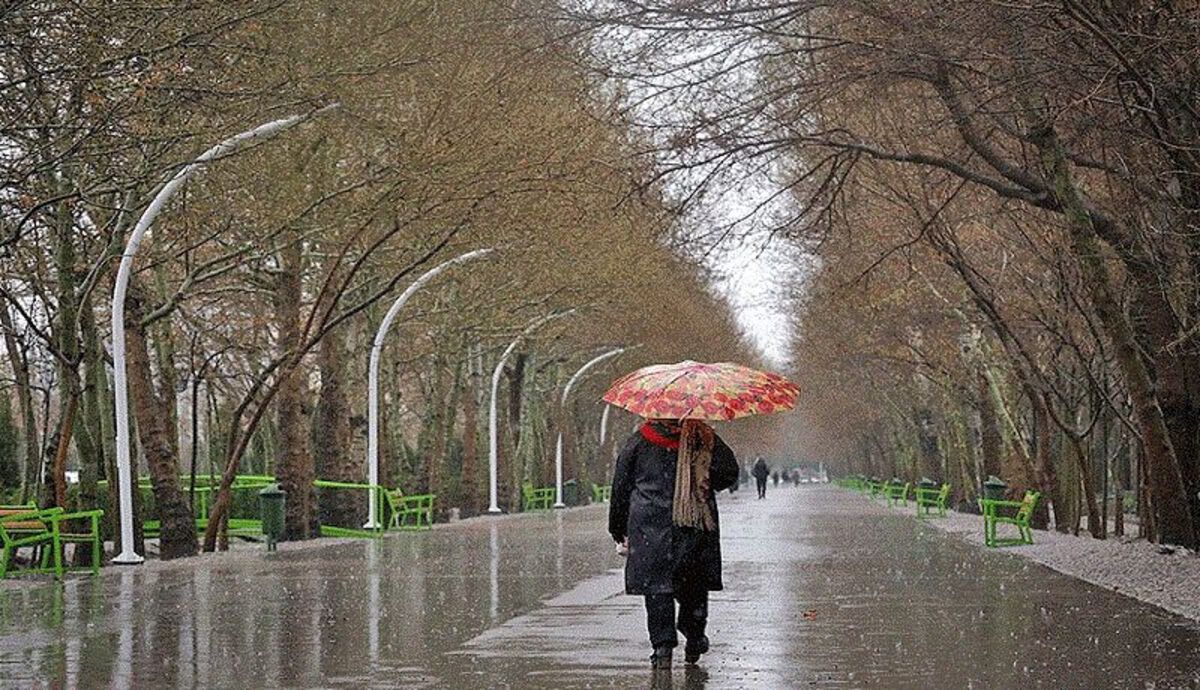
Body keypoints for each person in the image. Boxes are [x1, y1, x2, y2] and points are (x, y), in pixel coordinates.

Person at [609, 418, 739, 670]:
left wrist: (617, 527)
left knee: (657, 587)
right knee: (693, 585)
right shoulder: (703, 437)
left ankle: (662, 646)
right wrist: (701, 478)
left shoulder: (639, 441)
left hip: (650, 526)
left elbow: (621, 487)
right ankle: (694, 635)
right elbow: (728, 474)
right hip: (693, 526)